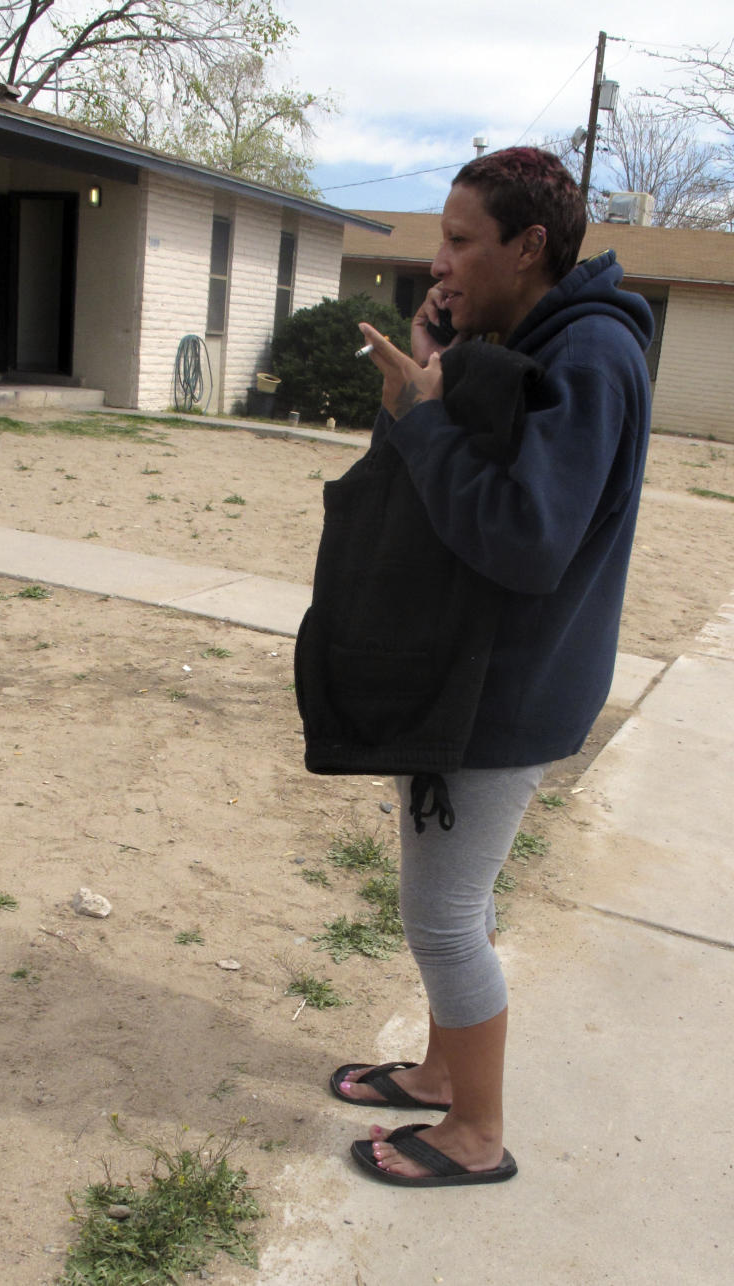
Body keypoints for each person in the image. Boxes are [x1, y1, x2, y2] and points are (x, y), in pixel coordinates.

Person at [306, 147, 654, 1187]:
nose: (440, 261)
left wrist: (422, 421)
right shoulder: (530, 341)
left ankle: (478, 1131)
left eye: (461, 240)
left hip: (512, 687)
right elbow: (440, 474)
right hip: (482, 672)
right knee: (456, 900)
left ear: (528, 244)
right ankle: (437, 1072)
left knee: (445, 917)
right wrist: (425, 382)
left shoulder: (590, 356)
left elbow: (524, 537)